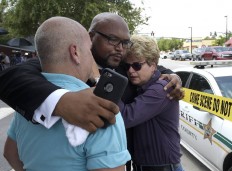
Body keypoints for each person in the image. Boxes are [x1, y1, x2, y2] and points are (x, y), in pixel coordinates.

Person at [3, 16, 131, 171]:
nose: (92, 58)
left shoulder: (28, 105)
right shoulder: (97, 109)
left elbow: (10, 153)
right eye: (89, 50)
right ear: (75, 52)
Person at [0, 12, 183, 133]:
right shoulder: (63, 63)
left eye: (124, 43)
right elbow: (10, 78)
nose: (120, 48)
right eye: (112, 40)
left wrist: (173, 75)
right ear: (90, 37)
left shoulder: (123, 67)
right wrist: (62, 102)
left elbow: (150, 66)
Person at [119, 35, 185, 171]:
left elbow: (126, 117)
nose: (131, 71)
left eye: (136, 65)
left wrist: (105, 87)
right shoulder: (143, 86)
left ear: (153, 65)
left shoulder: (161, 89)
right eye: (127, 66)